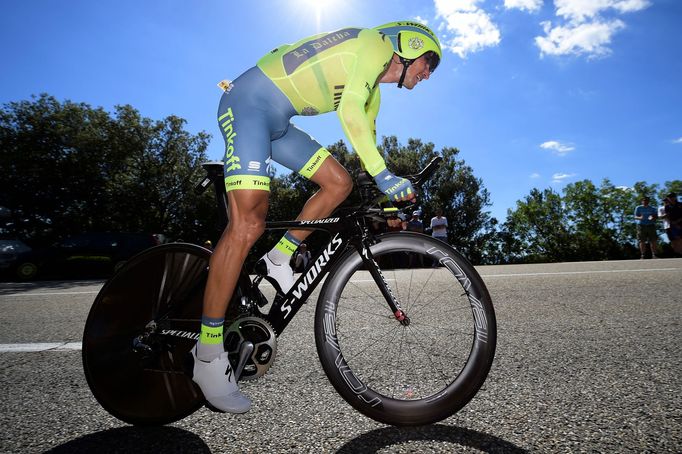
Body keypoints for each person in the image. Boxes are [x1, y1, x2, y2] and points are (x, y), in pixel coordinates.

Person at [190, 22, 443, 413]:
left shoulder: (374, 95)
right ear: (410, 47)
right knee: (249, 223)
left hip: (277, 124)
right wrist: (384, 176)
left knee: (339, 184)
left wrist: (388, 195)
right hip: (247, 105)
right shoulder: (372, 46)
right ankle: (207, 356)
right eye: (430, 62)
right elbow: (348, 114)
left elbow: (367, 144)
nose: (429, 74)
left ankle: (279, 258)